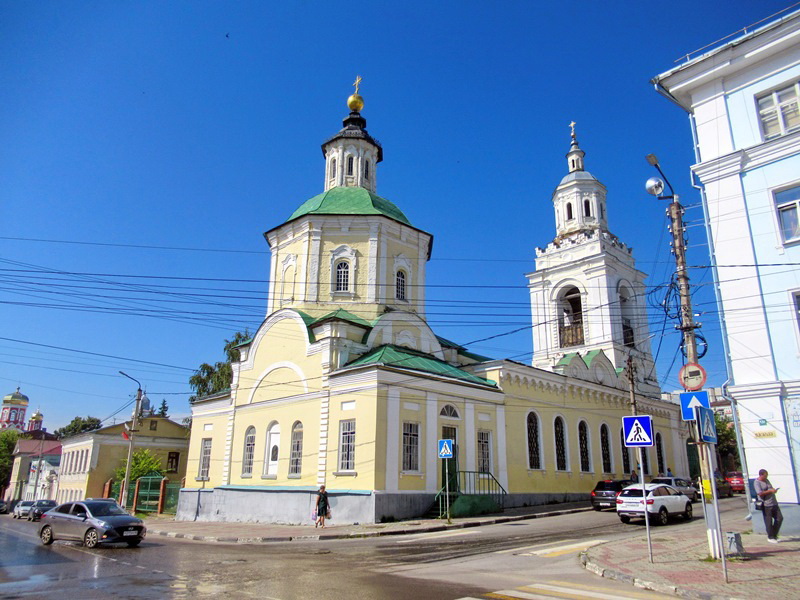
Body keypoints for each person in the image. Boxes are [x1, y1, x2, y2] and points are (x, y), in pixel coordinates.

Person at [754, 469, 782, 543]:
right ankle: (770, 537)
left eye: (767, 476)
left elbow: (770, 488)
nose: (766, 477)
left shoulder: (767, 480)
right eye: (765, 476)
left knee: (779, 518)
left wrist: (774, 490)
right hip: (766, 504)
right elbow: (759, 493)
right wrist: (770, 491)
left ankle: (774, 535)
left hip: (774, 502)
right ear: (761, 475)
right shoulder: (757, 482)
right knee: (768, 521)